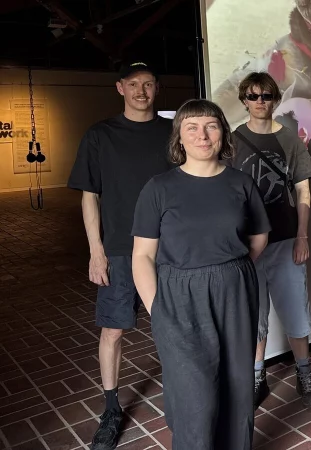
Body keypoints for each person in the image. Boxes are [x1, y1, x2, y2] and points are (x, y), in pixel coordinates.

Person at [130, 99, 271, 449]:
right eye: (191, 127)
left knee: (238, 386)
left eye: (211, 126)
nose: (202, 135)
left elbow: (259, 236)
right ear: (179, 137)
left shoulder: (241, 184)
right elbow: (142, 256)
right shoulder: (159, 188)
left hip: (235, 292)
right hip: (179, 297)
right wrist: (158, 310)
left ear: (223, 134)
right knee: (195, 394)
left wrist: (230, 269)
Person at [67, 61, 172, 450]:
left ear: (157, 89)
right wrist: (96, 251)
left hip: (169, 249)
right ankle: (111, 408)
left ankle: (181, 397)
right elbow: (89, 195)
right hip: (120, 251)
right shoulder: (100, 136)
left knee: (172, 324)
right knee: (113, 330)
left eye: (148, 84)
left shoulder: (172, 132)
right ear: (120, 88)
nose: (141, 91)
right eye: (133, 84)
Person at [226, 71, 311, 410]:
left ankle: (304, 371)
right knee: (255, 315)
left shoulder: (289, 140)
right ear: (244, 100)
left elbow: (303, 190)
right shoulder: (232, 140)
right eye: (253, 96)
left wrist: (302, 236)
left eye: (266, 96)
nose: (260, 102)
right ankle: (257, 375)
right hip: (247, 247)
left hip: (284, 240)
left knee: (296, 310)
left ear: (274, 99)